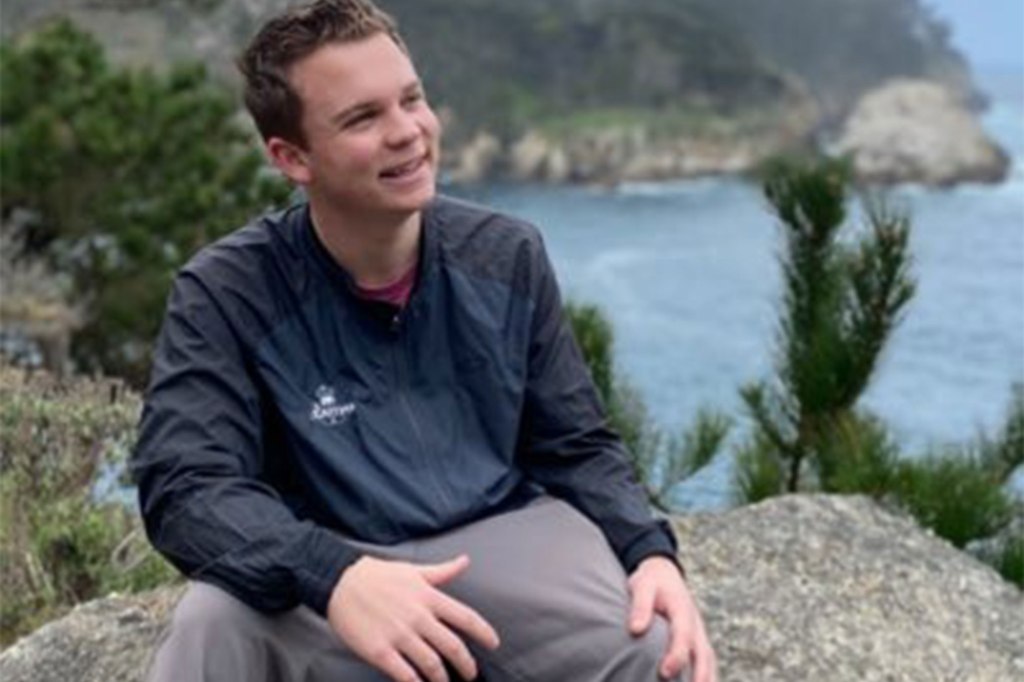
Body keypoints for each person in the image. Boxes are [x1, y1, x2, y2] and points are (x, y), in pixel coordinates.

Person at [131, 1, 717, 681]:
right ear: (291, 157)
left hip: (500, 542)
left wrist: (648, 550)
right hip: (325, 570)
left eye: (411, 99)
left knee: (659, 647)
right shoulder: (227, 291)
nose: (407, 133)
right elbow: (186, 487)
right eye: (362, 118)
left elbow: (576, 444)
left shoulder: (506, 255)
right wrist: (335, 574)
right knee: (212, 626)